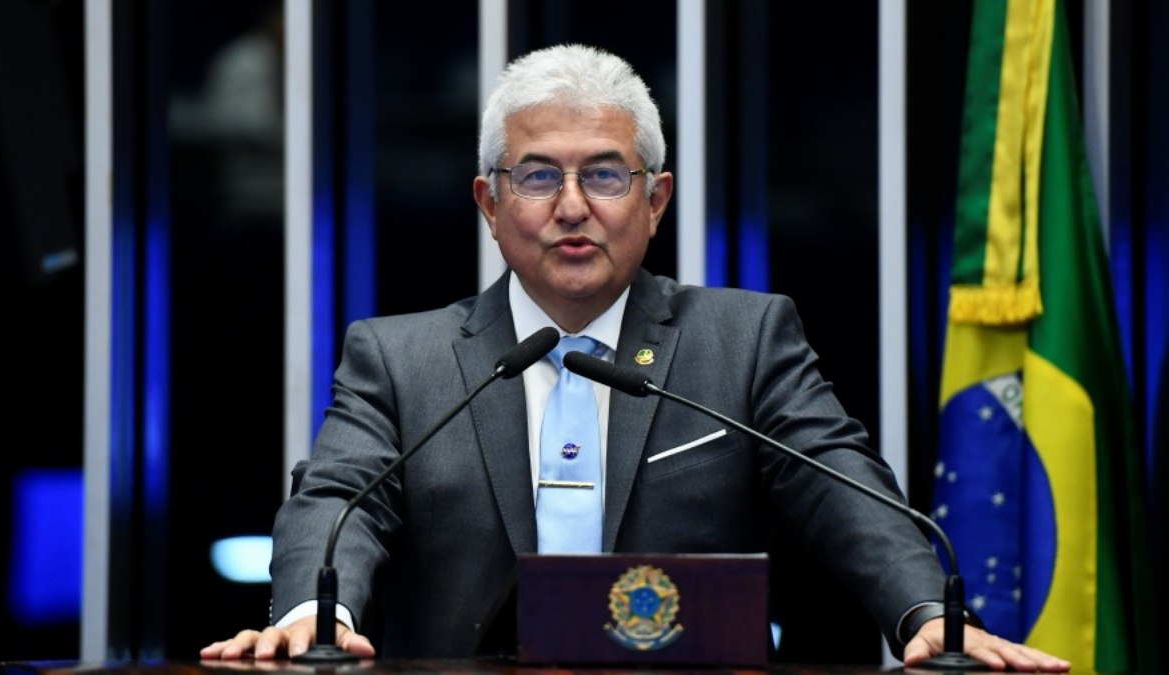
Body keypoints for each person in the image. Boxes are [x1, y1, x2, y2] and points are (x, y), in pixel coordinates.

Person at [202, 44, 1070, 672]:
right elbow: (336, 501)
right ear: (489, 203)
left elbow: (845, 488)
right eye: (538, 176)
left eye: (606, 176)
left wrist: (924, 612)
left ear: (655, 201)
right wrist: (318, 614)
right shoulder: (400, 358)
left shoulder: (744, 339)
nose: (572, 206)